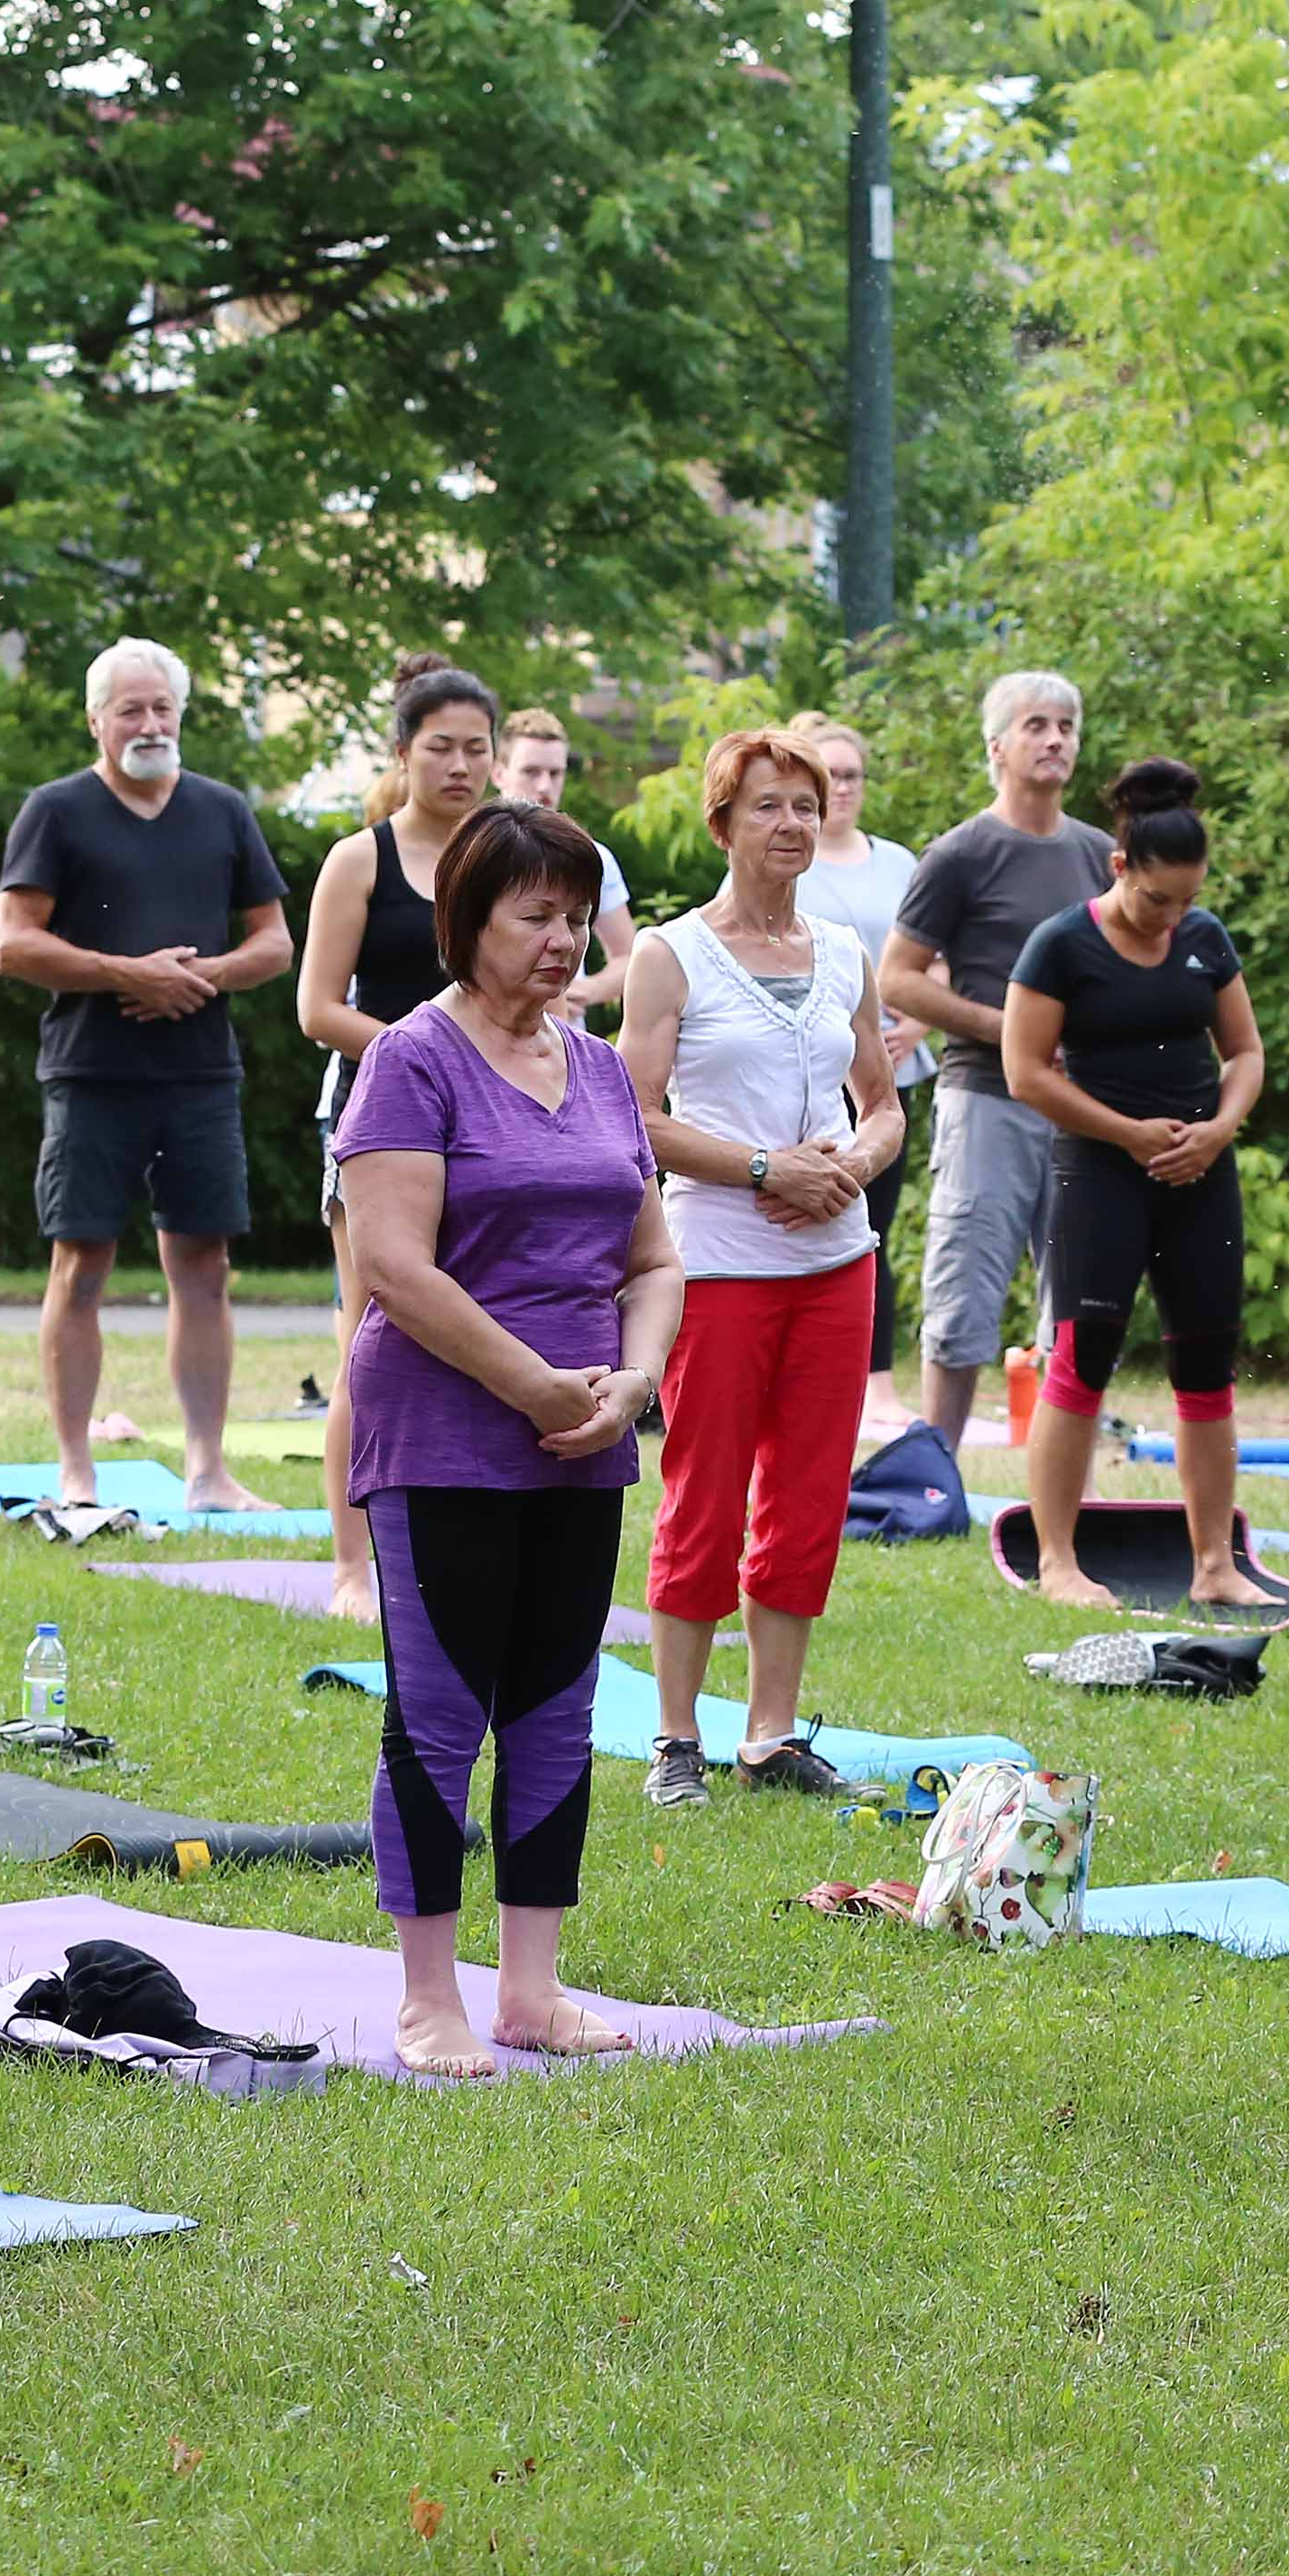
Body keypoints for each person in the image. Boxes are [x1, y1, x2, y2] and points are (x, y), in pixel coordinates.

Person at [329, 800, 683, 2076]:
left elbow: (652, 1255)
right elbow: (394, 1266)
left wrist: (633, 1382)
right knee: (437, 1711)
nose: (562, 940)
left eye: (576, 917)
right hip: (444, 1432)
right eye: (536, 914)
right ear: (467, 922)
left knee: (556, 1698)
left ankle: (531, 1986)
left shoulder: (594, 1066)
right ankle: (431, 1995)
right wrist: (537, 1385)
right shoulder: (411, 1059)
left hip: (586, 1432)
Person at [618, 726, 904, 1805]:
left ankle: (772, 1735)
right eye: (767, 806)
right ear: (722, 824)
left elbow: (880, 1107)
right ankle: (677, 1738)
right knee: (705, 1491)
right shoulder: (671, 952)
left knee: (808, 1497)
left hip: (838, 1261)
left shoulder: (843, 950)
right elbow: (638, 1118)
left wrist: (852, 1166)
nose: (792, 824)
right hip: (722, 1263)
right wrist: (760, 1169)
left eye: (805, 804)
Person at [0, 636, 292, 1514]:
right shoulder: (55, 810)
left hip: (201, 1076)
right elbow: (13, 944)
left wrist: (197, 978)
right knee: (81, 1266)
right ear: (96, 720)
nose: (150, 723)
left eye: (163, 707)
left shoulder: (224, 810)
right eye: (131, 708)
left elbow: (274, 942)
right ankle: (76, 1472)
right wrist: (128, 973)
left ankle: (208, 1471)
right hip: (91, 1076)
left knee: (204, 1268)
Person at [1005, 761, 1275, 1613]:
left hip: (1200, 1171)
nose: (1172, 919)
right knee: (1083, 1361)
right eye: (1158, 901)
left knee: (1206, 1368)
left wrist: (1218, 1130)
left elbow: (1247, 1054)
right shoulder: (1060, 945)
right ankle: (1057, 1562)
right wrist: (1126, 1133)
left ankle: (1214, 1565)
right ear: (1120, 869)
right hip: (1099, 1172)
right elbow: (1024, 1072)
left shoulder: (1204, 937)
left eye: (1186, 902)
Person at [298, 658, 505, 1618]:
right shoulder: (361, 859)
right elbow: (315, 1008)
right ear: (403, 752)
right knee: (369, 1341)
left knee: (491, 1328)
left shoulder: (512, 855)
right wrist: (433, 1057)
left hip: (499, 1125)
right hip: (379, 1117)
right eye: (441, 747)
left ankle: (472, 1543)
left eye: (476, 748)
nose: (460, 765)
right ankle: (352, 1565)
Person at [879, 671, 1113, 1442]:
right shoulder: (960, 855)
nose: (1054, 740)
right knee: (964, 1289)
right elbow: (898, 979)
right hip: (985, 1098)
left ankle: (1063, 1472)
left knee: (1081, 1294)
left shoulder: (1101, 855)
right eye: (1036, 726)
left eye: (1066, 727)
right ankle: (937, 1466)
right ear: (998, 746)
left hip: (1083, 1107)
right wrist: (1009, 1029)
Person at [785, 709, 925, 1421]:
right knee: (803, 1211)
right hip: (803, 1075)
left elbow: (930, 961)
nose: (842, 788)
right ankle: (810, 1379)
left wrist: (914, 1026)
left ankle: (878, 1385)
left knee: (875, 1219)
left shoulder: (900, 863)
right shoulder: (785, 857)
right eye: (828, 775)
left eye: (851, 775)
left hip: (887, 1072)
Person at [496, 706, 633, 1016]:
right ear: (498, 772)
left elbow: (629, 956)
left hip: (563, 1047)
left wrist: (586, 991)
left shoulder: (593, 858)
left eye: (555, 773)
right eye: (531, 772)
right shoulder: (474, 854)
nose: (544, 787)